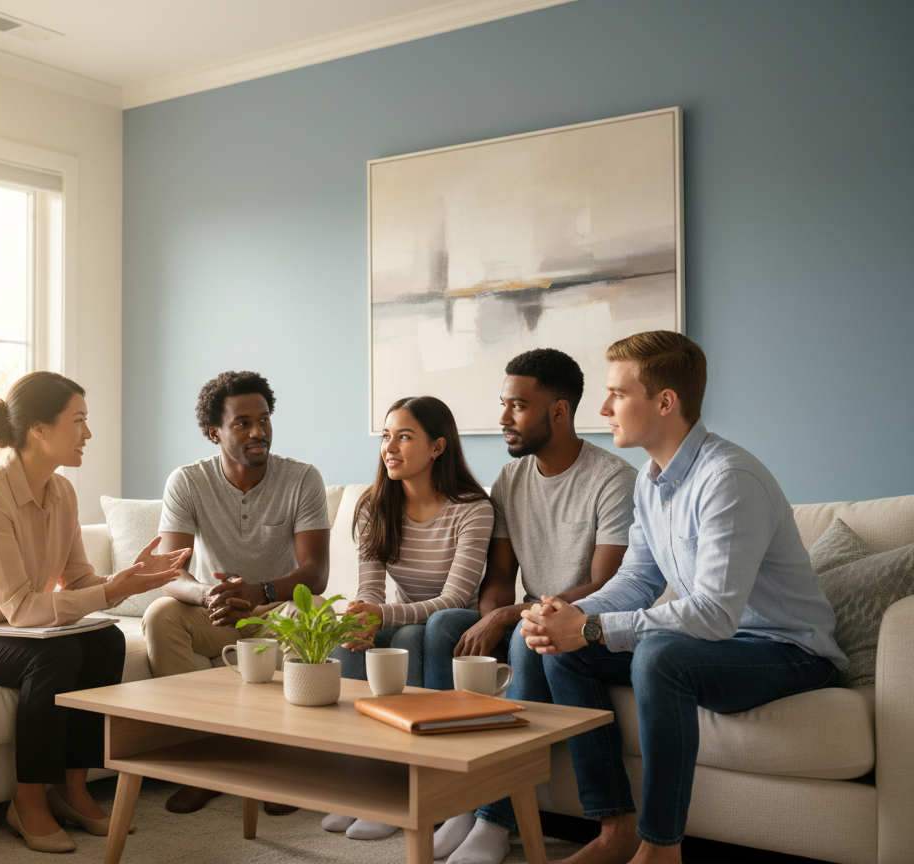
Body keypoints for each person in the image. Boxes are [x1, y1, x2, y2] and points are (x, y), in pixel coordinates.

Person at [516, 331, 846, 864]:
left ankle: (661, 848)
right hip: (717, 646)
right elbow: (637, 580)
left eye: (617, 394)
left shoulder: (729, 479)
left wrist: (593, 627)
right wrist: (572, 615)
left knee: (660, 654)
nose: (602, 408)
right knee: (566, 645)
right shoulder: (651, 481)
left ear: (665, 401)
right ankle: (615, 829)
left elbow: (714, 614)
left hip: (787, 651)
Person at [0, 372, 189, 854]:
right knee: (52, 658)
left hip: (5, 632)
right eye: (78, 421)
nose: (88, 434)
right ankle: (28, 798)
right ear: (38, 429)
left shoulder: (63, 493)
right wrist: (111, 590)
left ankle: (72, 786)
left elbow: (78, 581)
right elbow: (19, 609)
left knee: (105, 640)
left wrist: (127, 578)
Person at [425, 348, 638, 862]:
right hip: (527, 612)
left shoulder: (613, 479)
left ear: (559, 412)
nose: (503, 419)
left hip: (590, 624)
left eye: (517, 406)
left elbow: (605, 583)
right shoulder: (510, 480)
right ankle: (454, 798)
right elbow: (499, 577)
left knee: (525, 632)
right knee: (440, 628)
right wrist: (491, 617)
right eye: (503, 404)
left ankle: (496, 821)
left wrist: (509, 617)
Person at [141, 370, 331, 816]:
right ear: (215, 433)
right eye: (242, 423)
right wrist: (207, 593)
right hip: (218, 614)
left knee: (315, 610)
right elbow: (171, 573)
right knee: (161, 614)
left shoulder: (301, 478)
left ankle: (283, 764)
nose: (258, 431)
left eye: (263, 420)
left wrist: (260, 589)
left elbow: (316, 573)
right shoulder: (187, 482)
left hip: (275, 611)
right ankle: (201, 765)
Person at [324, 395, 494, 841]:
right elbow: (370, 591)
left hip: (455, 619)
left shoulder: (472, 509)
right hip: (404, 618)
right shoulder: (374, 506)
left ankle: (438, 791)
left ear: (438, 447)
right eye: (386, 436)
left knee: (425, 630)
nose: (390, 447)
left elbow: (456, 597)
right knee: (350, 633)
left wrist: (382, 615)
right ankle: (376, 786)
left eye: (404, 436)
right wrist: (364, 616)